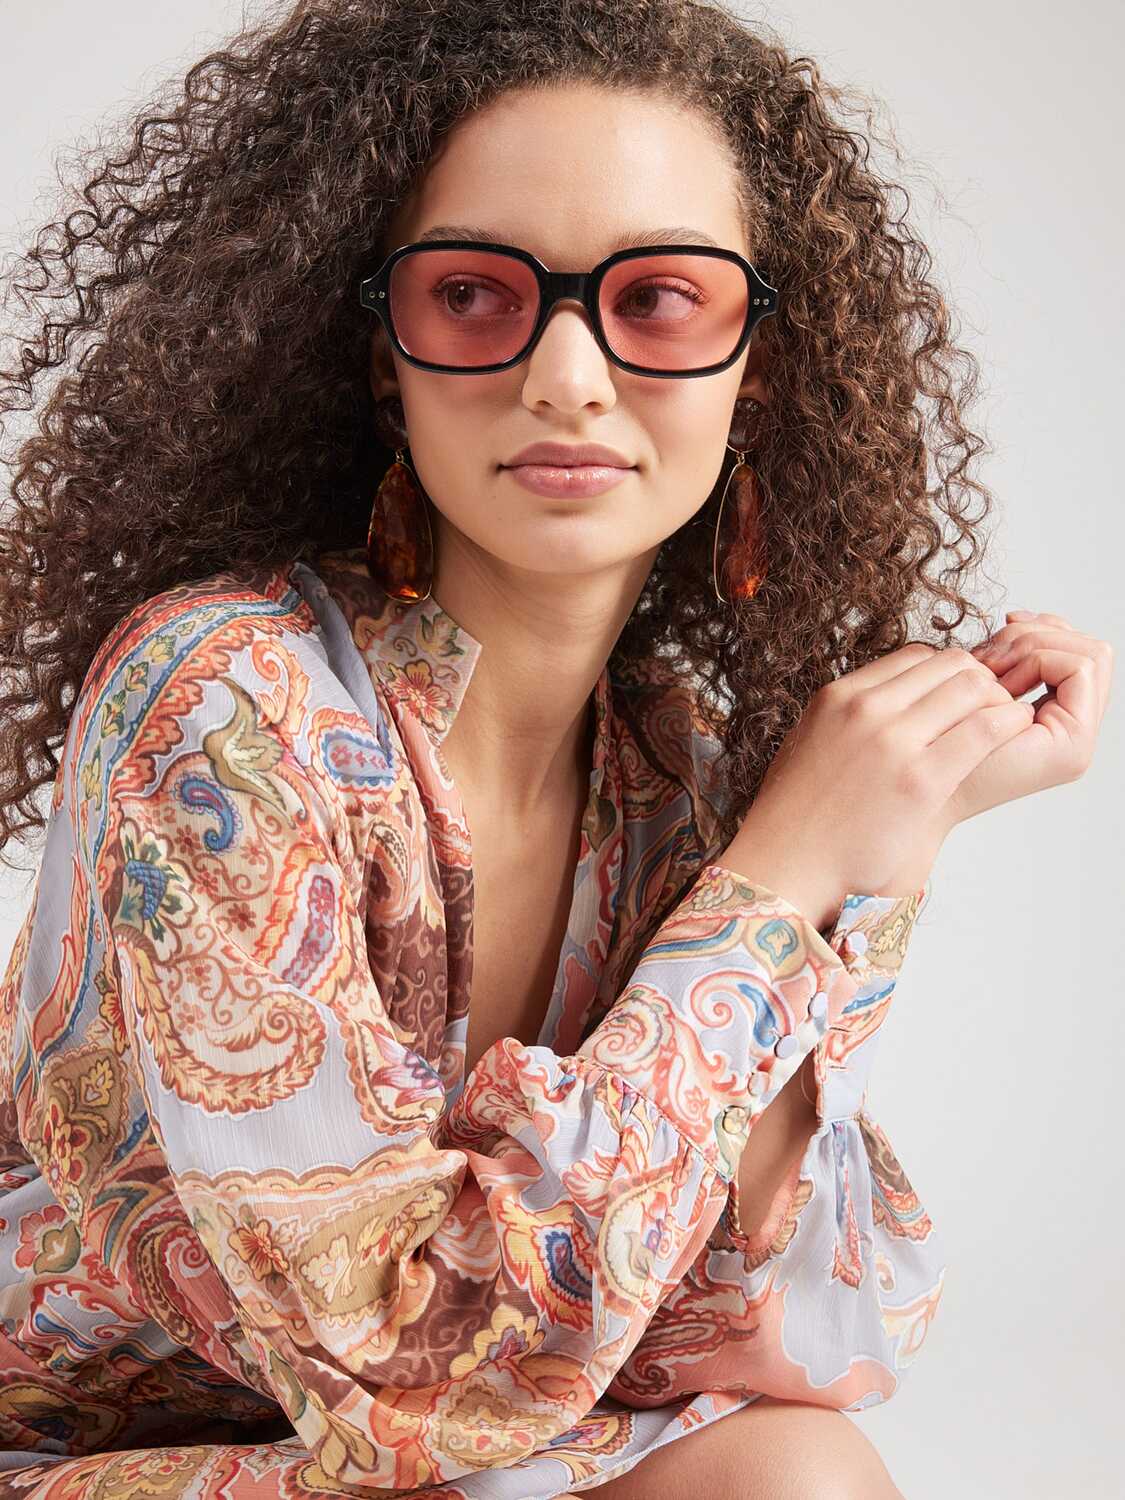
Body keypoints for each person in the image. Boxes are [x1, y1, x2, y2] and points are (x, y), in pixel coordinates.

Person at [0, 1, 1112, 1496]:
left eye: (659, 299)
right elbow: (403, 1378)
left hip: (417, 1469)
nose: (568, 377)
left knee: (797, 1470)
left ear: (758, 368)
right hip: (91, 1455)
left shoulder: (674, 777)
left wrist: (878, 846)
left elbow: (770, 1337)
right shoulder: (223, 700)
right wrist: (785, 880)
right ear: (383, 357)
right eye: (474, 293)